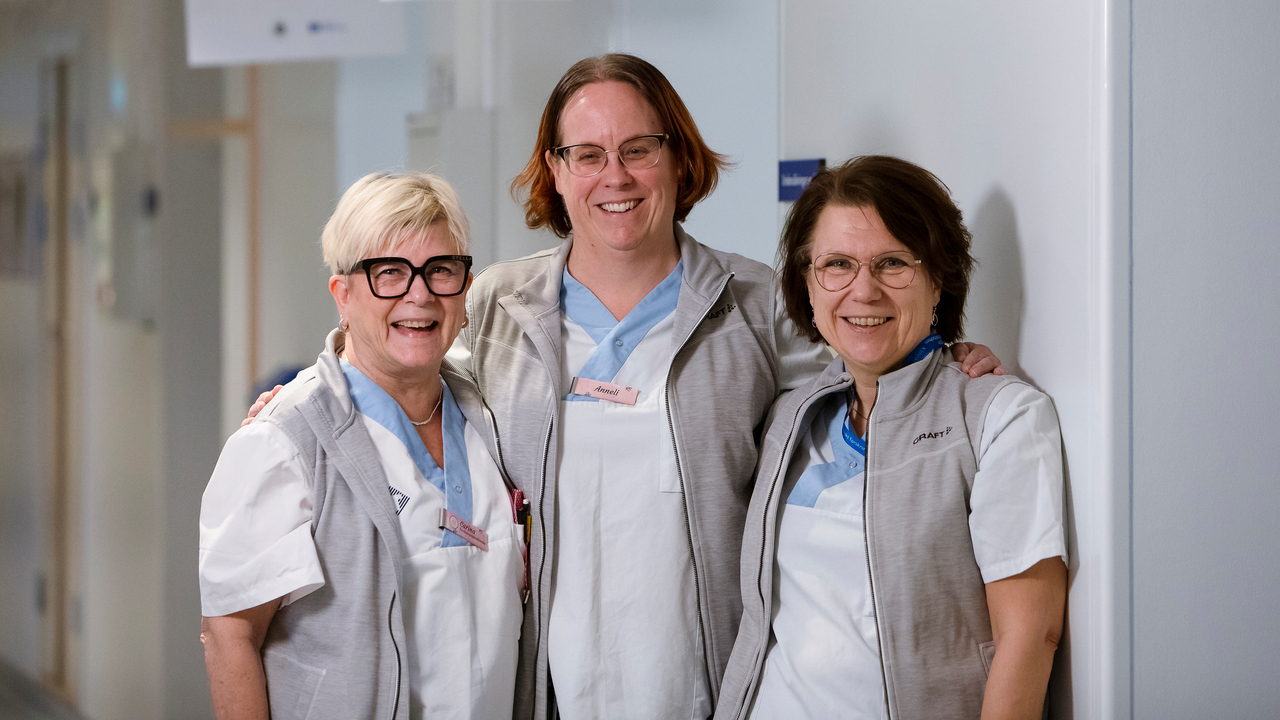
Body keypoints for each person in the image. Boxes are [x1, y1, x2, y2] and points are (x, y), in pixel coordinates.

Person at [449, 55, 1006, 720]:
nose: (615, 175)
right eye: (587, 154)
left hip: (710, 686)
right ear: (557, 171)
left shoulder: (756, 305)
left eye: (638, 149)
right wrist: (323, 383)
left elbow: (864, 377)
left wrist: (944, 358)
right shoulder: (498, 306)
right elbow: (414, 386)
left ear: (679, 158)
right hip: (547, 688)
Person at [714, 156, 1067, 720]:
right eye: (836, 264)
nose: (864, 290)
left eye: (893, 264)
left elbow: (1031, 636)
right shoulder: (790, 416)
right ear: (808, 284)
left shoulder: (1001, 419)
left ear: (938, 279)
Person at [199, 172, 525, 720]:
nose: (418, 294)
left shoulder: (489, 415)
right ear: (343, 294)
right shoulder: (286, 443)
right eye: (389, 273)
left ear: (464, 291)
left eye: (440, 270)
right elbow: (229, 634)